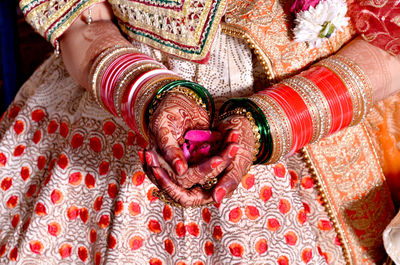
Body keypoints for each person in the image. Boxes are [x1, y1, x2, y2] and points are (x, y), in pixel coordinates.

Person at [0, 0, 399, 263]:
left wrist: (271, 120)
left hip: (313, 114)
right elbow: (82, 19)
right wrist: (150, 95)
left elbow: (392, 43)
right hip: (110, 98)